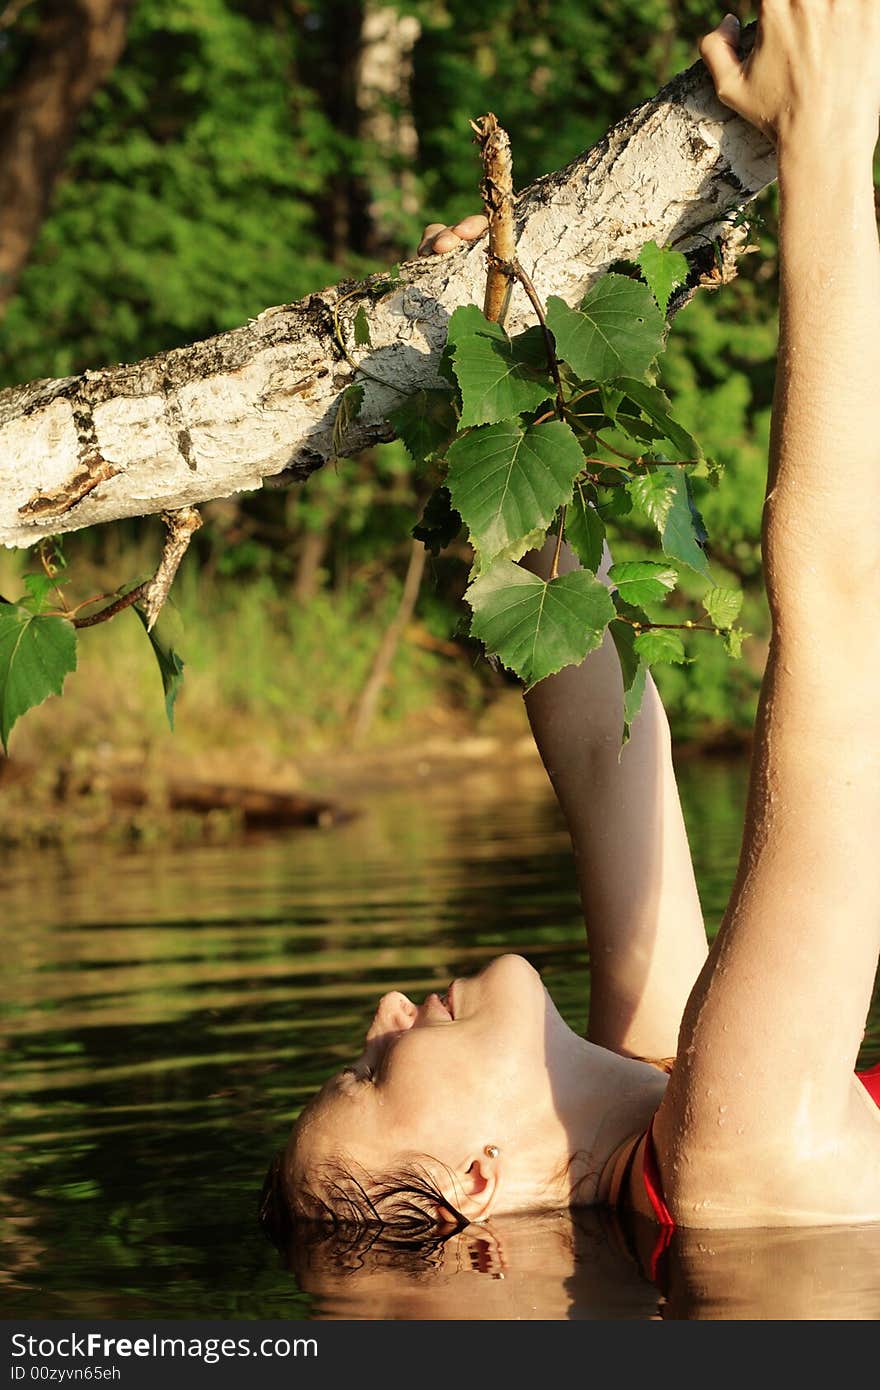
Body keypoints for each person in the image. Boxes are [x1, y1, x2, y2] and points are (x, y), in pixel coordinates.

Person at [261, 2, 880, 1250]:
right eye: (373, 1074)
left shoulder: (660, 1089)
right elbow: (835, 602)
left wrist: (499, 359)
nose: (384, 1009)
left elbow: (605, 755)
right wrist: (827, 135)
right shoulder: (725, 1146)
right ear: (477, 1181)